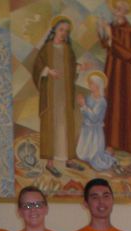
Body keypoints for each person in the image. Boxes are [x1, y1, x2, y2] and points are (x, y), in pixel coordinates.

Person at [32, 16, 81, 177]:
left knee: (66, 126)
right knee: (51, 126)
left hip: (65, 95)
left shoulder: (68, 49)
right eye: (61, 30)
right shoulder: (46, 48)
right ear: (54, 30)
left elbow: (72, 69)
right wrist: (48, 71)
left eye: (66, 31)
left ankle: (69, 160)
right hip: (51, 95)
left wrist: (78, 68)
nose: (63, 33)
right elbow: (37, 67)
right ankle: (50, 163)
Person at [99, 0, 131, 172]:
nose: (118, 10)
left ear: (126, 10)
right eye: (116, 7)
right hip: (111, 72)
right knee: (110, 106)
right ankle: (110, 147)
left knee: (128, 110)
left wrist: (111, 38)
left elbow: (130, 55)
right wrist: (102, 31)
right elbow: (105, 44)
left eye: (121, 8)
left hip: (124, 75)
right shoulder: (111, 26)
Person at [75, 71, 117, 172]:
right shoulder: (89, 97)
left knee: (95, 159)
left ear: (98, 85)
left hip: (95, 132)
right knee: (82, 155)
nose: (89, 85)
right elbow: (84, 113)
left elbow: (94, 118)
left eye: (91, 83)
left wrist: (83, 105)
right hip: (86, 129)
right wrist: (82, 105)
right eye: (89, 83)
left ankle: (107, 157)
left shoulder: (102, 101)